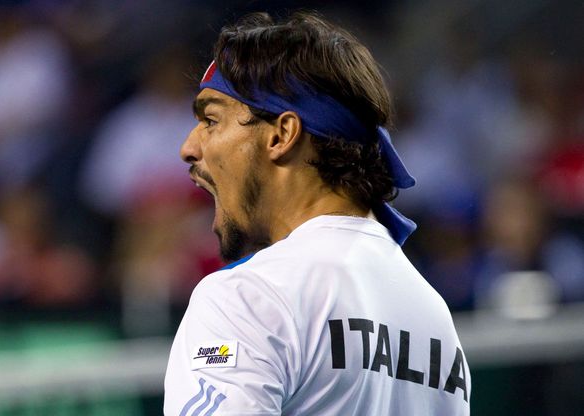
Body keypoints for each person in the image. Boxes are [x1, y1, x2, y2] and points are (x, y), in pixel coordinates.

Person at [164, 12, 470, 415]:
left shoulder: (248, 297)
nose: (189, 147)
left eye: (211, 120)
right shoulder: (435, 318)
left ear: (282, 135)